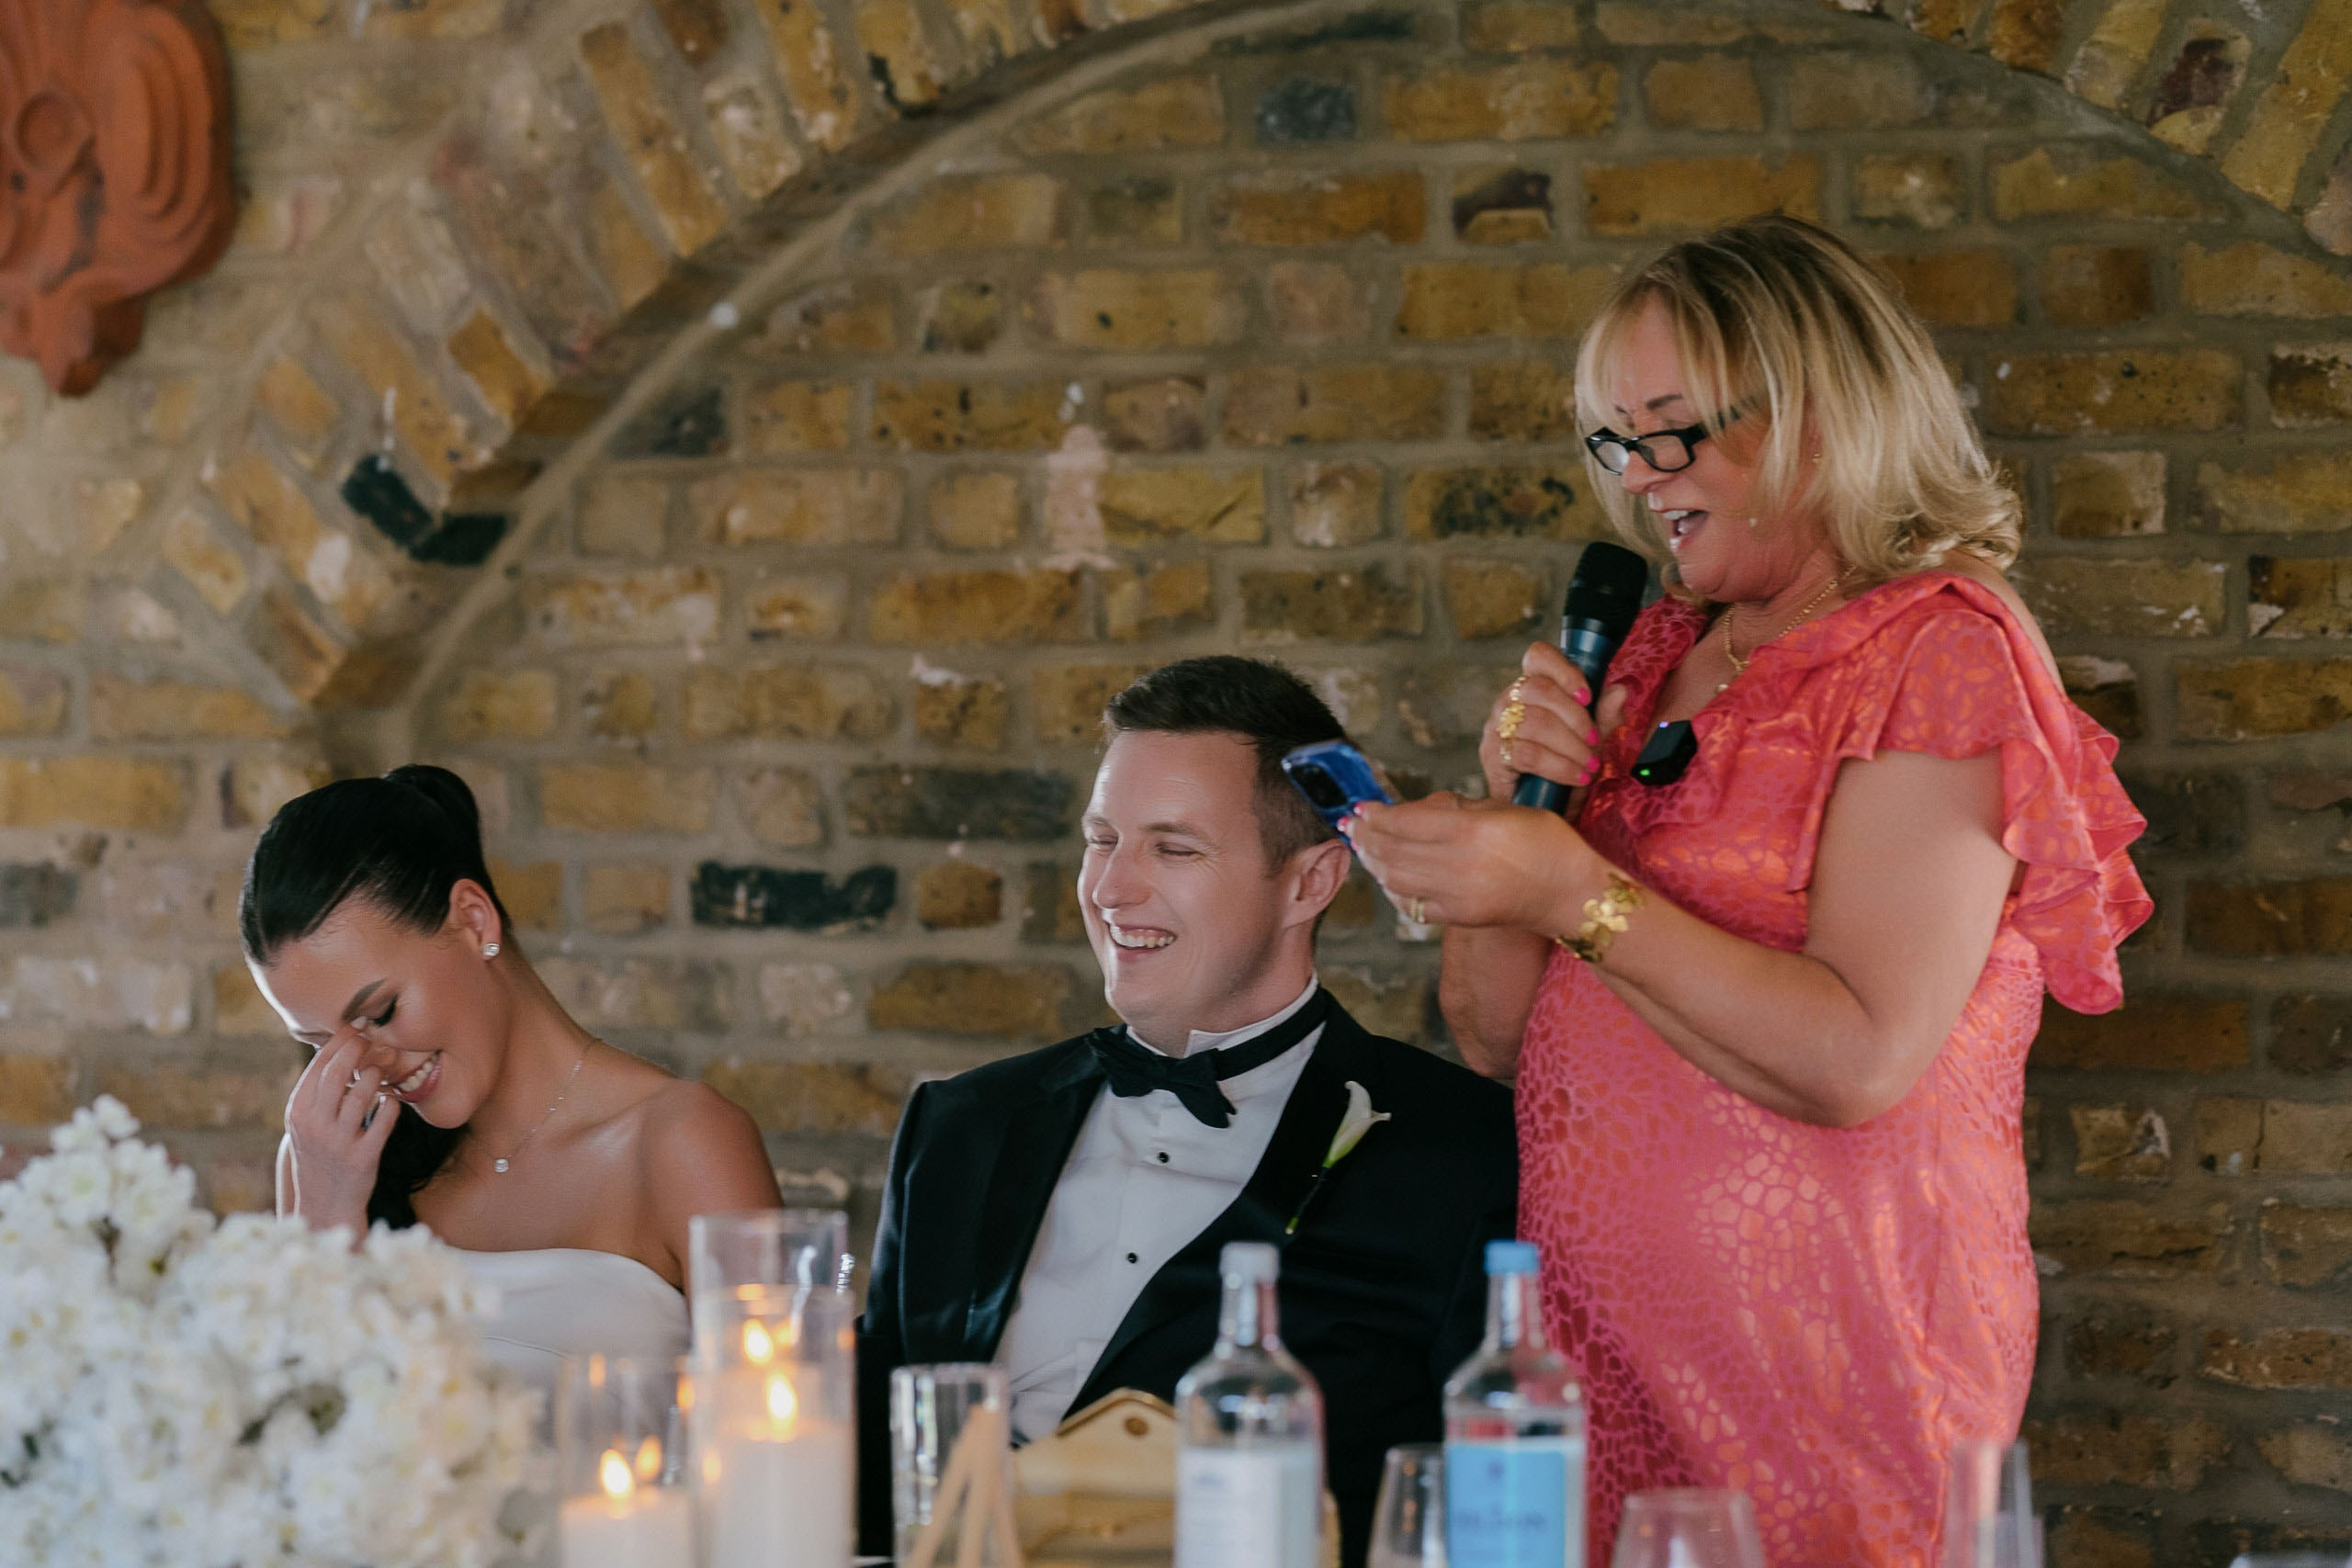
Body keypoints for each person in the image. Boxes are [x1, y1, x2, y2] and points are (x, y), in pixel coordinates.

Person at [1344, 216, 2151, 1568]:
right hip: (1589, 1362)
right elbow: (1498, 1038)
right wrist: (1513, 829)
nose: (1643, 477)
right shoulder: (1655, 648)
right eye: (1614, 438)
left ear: (1823, 413)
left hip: (1828, 1370)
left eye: (1675, 430)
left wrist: (1577, 887)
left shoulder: (1939, 650)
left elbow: (1857, 1054)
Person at [855, 657, 1516, 1568]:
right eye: (1101, 839)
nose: (1110, 888)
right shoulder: (960, 1123)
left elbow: (1481, 1509)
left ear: (1309, 884)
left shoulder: (1463, 1151)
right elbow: (865, 1458)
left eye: (1172, 848)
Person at [242, 764, 783, 1394]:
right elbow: (303, 1460)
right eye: (321, 1044)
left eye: (381, 1011)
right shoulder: (325, 1168)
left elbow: (776, 1449)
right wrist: (328, 1228)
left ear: (474, 920)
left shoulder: (684, 1144)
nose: (365, 1063)